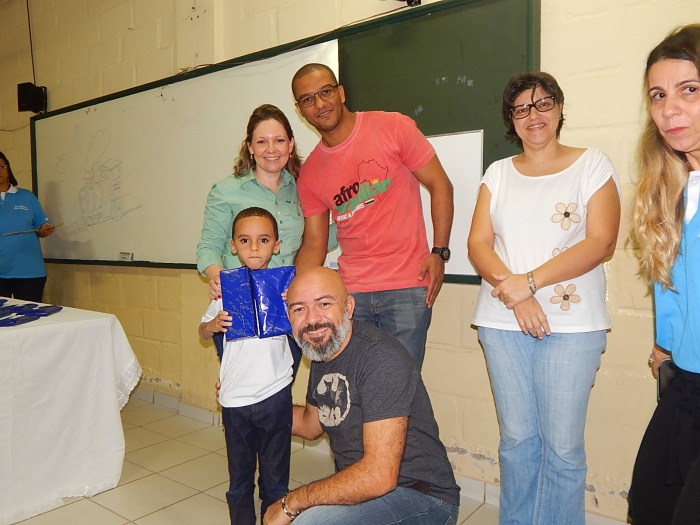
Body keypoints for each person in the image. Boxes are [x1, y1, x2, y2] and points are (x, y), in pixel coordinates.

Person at [467, 72, 620, 524]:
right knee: (517, 443)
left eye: (543, 103)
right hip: (502, 321)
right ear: (511, 119)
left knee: (563, 449)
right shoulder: (497, 173)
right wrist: (517, 296)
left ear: (559, 108)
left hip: (572, 325)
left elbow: (602, 241)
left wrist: (529, 283)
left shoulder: (592, 164)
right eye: (521, 108)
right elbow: (478, 244)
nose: (533, 115)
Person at [262, 266, 460, 525]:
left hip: (422, 497)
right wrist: (253, 403)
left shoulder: (380, 358)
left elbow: (379, 476)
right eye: (299, 309)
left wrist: (292, 502)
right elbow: (310, 425)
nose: (312, 319)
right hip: (371, 489)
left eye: (324, 303)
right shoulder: (324, 351)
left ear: (349, 307)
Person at [290, 63, 454, 368]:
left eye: (326, 92)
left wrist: (439, 252)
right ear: (300, 110)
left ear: (341, 93)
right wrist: (294, 292)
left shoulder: (394, 127)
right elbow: (314, 243)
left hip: (407, 286)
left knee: (401, 383)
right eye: (308, 99)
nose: (320, 104)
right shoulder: (310, 173)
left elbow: (440, 185)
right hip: (351, 294)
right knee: (354, 384)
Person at [628, 24, 700, 525]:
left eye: (689, 90)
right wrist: (667, 342)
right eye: (658, 95)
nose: (670, 110)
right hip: (687, 379)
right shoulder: (674, 188)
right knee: (651, 504)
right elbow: (676, 284)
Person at [199, 207, 294, 525]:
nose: (254, 248)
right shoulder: (225, 289)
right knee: (239, 479)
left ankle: (273, 519)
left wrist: (292, 305)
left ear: (276, 245)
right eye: (245, 240)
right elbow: (202, 330)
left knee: (276, 478)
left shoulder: (286, 288)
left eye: (263, 240)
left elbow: (304, 332)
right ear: (233, 245)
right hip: (235, 398)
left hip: (276, 393)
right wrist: (213, 325)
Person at [197, 104, 304, 299]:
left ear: (290, 145)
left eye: (279, 140)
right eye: (262, 142)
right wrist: (222, 281)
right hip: (241, 298)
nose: (271, 149)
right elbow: (208, 248)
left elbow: (314, 239)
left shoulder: (301, 189)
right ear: (250, 147)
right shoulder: (225, 191)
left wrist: (351, 219)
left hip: (287, 300)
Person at [0, 151, 55, 302]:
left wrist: (44, 229)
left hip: (29, 272)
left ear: (8, 169)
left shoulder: (27, 196)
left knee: (30, 314)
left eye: (2, 166)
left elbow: (41, 226)